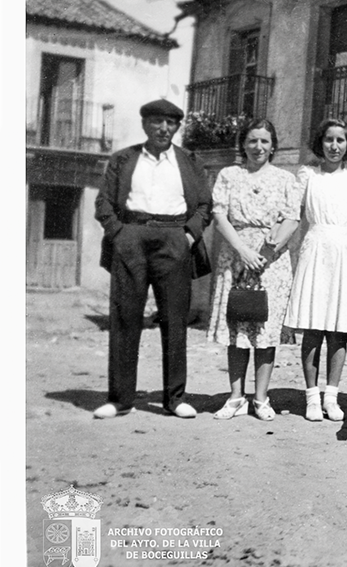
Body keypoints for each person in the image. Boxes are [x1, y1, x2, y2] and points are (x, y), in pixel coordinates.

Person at [93, 99, 212, 419]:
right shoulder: (124, 159)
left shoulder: (189, 161)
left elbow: (204, 205)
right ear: (145, 124)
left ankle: (175, 399)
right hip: (131, 236)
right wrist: (119, 234)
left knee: (175, 320)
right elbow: (104, 202)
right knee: (124, 317)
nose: (163, 128)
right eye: (157, 122)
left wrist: (188, 237)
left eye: (170, 123)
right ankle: (120, 399)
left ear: (177, 127)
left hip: (174, 238)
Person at [206, 119, 301, 421]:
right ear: (243, 145)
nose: (258, 147)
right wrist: (243, 251)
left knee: (265, 331)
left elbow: (292, 218)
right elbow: (219, 216)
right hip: (236, 256)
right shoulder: (229, 175)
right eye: (252, 141)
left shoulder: (286, 179)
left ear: (273, 146)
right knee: (237, 329)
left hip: (271, 262)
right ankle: (236, 397)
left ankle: (261, 398)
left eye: (264, 141)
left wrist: (268, 251)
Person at [284, 119, 347, 422]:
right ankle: (311, 397)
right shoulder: (308, 174)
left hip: (346, 252)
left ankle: (331, 397)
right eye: (329, 140)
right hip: (316, 251)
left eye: (340, 140)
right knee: (313, 327)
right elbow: (292, 214)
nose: (335, 146)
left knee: (338, 329)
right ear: (320, 142)